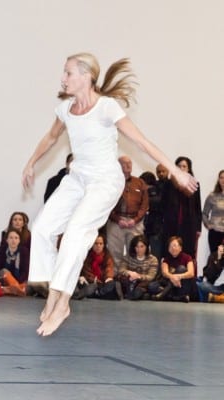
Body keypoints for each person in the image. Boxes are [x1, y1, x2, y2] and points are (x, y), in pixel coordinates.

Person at [22, 53, 197, 336]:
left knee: (77, 231)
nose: (62, 78)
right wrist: (32, 162)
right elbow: (51, 137)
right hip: (78, 177)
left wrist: (176, 172)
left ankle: (62, 301)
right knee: (41, 228)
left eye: (68, 73)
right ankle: (50, 290)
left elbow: (141, 141)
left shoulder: (106, 108)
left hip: (105, 181)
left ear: (86, 76)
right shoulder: (66, 109)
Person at [106, 155, 149, 267]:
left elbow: (144, 205)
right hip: (116, 222)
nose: (128, 165)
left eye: (130, 163)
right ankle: (115, 279)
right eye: (124, 163)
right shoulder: (111, 182)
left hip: (135, 222)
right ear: (118, 166)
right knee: (114, 252)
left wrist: (135, 220)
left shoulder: (139, 182)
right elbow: (106, 204)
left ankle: (135, 278)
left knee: (137, 252)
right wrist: (117, 219)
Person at [161, 156, 202, 259]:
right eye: (179, 166)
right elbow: (163, 204)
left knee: (187, 251)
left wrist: (198, 227)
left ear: (189, 169)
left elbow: (197, 207)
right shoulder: (168, 184)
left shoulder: (195, 184)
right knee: (170, 250)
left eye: (184, 166)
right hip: (171, 224)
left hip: (188, 225)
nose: (182, 168)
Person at [72, 234, 121, 300]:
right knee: (83, 283)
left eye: (101, 244)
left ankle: (96, 293)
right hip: (89, 281)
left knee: (112, 284)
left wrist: (108, 277)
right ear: (92, 244)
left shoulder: (107, 256)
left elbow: (109, 268)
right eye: (96, 243)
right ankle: (97, 293)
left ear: (104, 245)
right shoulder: (87, 255)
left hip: (103, 283)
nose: (98, 246)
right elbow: (86, 272)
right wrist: (94, 281)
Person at [149, 236, 197, 302]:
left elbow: (191, 273)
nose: (173, 248)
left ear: (180, 248)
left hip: (182, 286)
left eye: (175, 246)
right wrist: (172, 278)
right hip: (172, 287)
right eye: (170, 246)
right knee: (152, 286)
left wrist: (178, 276)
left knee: (181, 268)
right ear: (168, 249)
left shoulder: (187, 257)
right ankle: (175, 297)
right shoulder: (166, 259)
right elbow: (164, 273)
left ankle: (164, 294)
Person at [116, 234, 158, 300]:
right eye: (137, 247)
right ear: (133, 247)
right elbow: (121, 270)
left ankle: (139, 293)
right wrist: (130, 273)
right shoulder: (127, 257)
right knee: (121, 279)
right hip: (129, 281)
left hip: (143, 284)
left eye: (142, 246)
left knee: (150, 286)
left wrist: (138, 276)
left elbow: (151, 276)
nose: (139, 249)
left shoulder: (153, 259)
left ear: (147, 247)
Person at [0, 228, 30, 296]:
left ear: (19, 240)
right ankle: (17, 289)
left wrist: (17, 282)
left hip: (20, 280)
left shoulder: (24, 251)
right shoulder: (2, 249)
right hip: (4, 278)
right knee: (4, 271)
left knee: (29, 284)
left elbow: (25, 271)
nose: (13, 240)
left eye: (16, 238)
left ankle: (9, 289)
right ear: (7, 240)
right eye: (11, 238)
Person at [139, 171, 164, 261]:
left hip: (155, 229)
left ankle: (156, 274)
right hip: (148, 228)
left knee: (155, 255)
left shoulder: (156, 194)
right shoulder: (150, 194)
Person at [202, 170, 224, 253]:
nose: (223, 180)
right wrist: (208, 225)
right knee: (215, 259)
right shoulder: (212, 196)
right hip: (215, 232)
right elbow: (204, 213)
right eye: (221, 178)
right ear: (218, 180)